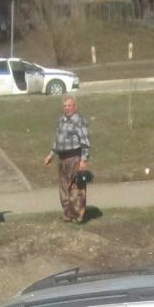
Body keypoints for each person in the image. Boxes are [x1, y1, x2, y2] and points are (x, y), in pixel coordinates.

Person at [43, 95, 91, 224]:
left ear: (75, 106)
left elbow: (85, 142)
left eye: (70, 105)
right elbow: (57, 140)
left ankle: (77, 215)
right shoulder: (61, 121)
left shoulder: (79, 121)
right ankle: (68, 213)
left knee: (76, 187)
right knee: (63, 188)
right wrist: (51, 155)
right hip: (62, 158)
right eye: (65, 106)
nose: (67, 108)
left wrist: (83, 160)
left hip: (75, 157)